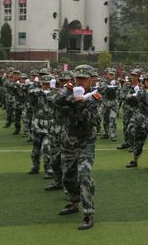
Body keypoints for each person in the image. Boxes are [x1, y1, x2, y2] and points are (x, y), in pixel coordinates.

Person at [53, 65, 100, 230]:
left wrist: (80, 105)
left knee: (84, 176)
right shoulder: (68, 90)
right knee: (68, 176)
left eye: (84, 79)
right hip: (68, 141)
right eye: (78, 78)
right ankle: (73, 203)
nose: (80, 81)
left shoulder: (94, 96)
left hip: (86, 141)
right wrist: (71, 96)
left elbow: (91, 121)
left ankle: (88, 213)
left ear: (90, 80)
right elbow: (55, 101)